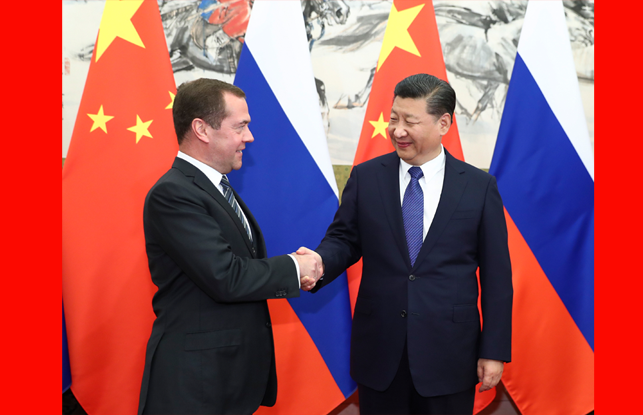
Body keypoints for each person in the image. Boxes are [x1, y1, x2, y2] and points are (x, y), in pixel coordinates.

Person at [298, 74, 513, 415]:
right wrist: (320, 262)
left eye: (410, 122)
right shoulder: (367, 177)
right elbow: (344, 239)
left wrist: (494, 350)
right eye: (394, 118)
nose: (398, 130)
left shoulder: (478, 187)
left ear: (444, 123)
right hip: (380, 351)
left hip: (449, 355)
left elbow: (497, 277)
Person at [137, 78, 320, 415]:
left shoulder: (216, 187)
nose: (249, 137)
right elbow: (226, 276)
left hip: (226, 379)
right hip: (194, 385)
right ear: (202, 129)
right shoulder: (173, 194)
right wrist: (295, 267)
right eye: (240, 127)